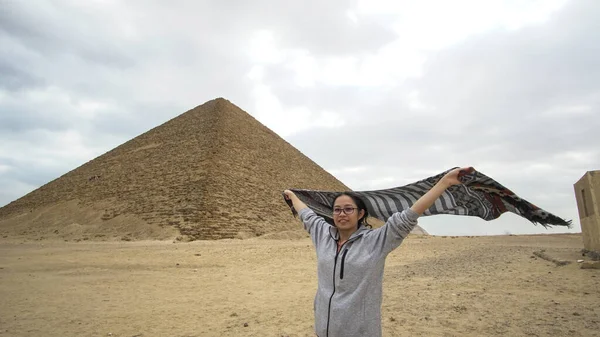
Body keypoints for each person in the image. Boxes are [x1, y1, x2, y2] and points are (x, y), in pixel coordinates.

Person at [283, 167, 467, 337]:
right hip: (323, 329)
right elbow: (307, 215)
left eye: (348, 209)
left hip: (359, 331)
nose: (342, 214)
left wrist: (445, 182)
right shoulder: (322, 234)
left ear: (361, 214)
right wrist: (292, 196)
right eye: (337, 210)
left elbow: (407, 217)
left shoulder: (375, 241)